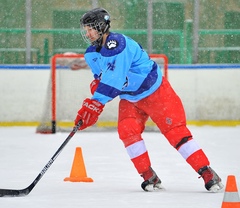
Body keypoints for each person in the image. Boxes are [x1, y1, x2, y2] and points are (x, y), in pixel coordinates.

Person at [74, 7, 224, 192]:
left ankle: (207, 173)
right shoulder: (91, 54)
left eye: (91, 28)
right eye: (86, 29)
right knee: (127, 130)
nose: (87, 33)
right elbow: (103, 79)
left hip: (156, 94)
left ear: (102, 27)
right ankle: (148, 176)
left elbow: (114, 80)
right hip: (130, 99)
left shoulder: (117, 44)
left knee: (176, 133)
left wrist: (94, 104)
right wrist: (96, 91)